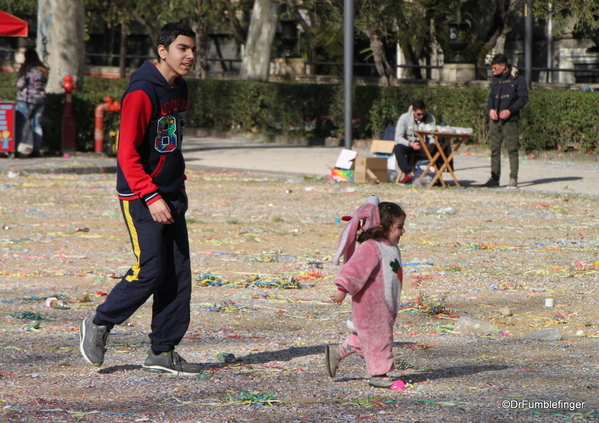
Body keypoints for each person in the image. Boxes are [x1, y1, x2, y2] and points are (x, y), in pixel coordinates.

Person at [79, 22, 202, 375]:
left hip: (172, 194)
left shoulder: (181, 89)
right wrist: (150, 196)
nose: (189, 56)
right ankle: (100, 323)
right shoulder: (141, 92)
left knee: (178, 275)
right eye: (182, 48)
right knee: (151, 269)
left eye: (192, 49)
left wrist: (175, 183)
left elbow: (171, 144)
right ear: (162, 51)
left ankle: (162, 351)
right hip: (140, 195)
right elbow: (127, 155)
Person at [326, 196, 406, 389]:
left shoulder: (391, 247)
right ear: (383, 227)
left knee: (369, 337)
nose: (403, 231)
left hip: (385, 303)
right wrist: (342, 289)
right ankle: (379, 374)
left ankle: (338, 351)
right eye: (399, 226)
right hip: (371, 305)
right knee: (379, 338)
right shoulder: (372, 247)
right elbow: (355, 268)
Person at [482, 53, 528, 188]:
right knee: (494, 149)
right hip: (495, 120)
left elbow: (523, 98)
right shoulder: (495, 79)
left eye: (495, 68)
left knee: (512, 149)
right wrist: (491, 109)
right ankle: (494, 178)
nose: (493, 70)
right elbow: (491, 97)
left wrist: (510, 110)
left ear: (503, 67)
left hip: (510, 120)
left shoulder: (518, 79)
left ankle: (513, 178)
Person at [15, 48, 48, 157]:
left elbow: (20, 85)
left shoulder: (28, 70)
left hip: (26, 100)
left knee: (19, 124)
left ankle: (14, 150)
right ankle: (36, 150)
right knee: (36, 124)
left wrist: (20, 75)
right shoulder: (42, 70)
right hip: (40, 100)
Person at [393, 99, 435, 184]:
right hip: (409, 143)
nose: (421, 117)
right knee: (397, 148)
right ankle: (408, 174)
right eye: (418, 114)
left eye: (423, 114)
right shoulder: (404, 118)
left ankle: (437, 177)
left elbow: (433, 134)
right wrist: (410, 144)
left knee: (441, 149)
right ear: (413, 111)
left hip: (423, 144)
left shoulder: (430, 117)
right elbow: (398, 137)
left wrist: (431, 143)